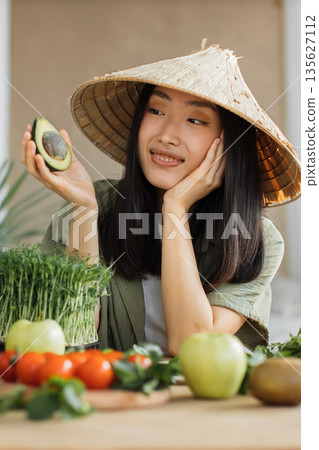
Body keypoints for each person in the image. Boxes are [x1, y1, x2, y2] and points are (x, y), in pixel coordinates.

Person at [21, 44, 301, 356]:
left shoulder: (252, 238)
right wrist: (84, 207)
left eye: (195, 120)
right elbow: (69, 340)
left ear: (228, 146)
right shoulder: (94, 207)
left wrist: (175, 209)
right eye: (156, 111)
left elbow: (191, 347)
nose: (167, 134)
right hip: (108, 401)